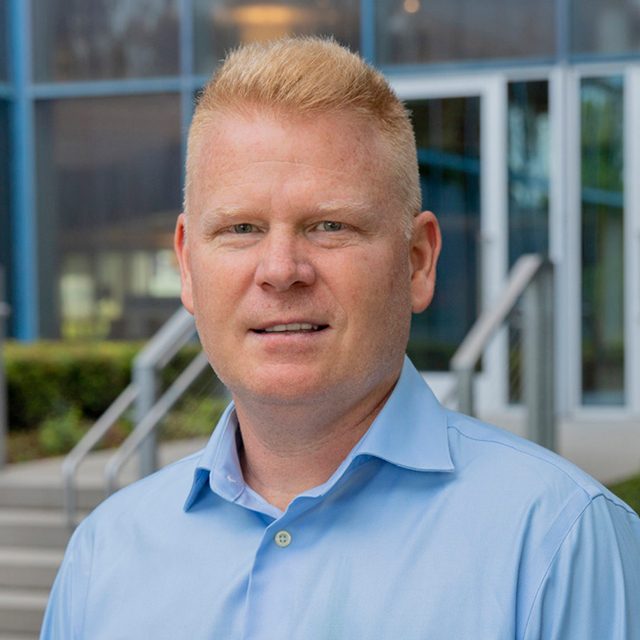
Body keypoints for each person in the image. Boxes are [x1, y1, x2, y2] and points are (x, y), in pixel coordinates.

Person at [40, 37, 640, 640]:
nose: (280, 269)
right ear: (187, 265)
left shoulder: (560, 543)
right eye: (240, 228)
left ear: (417, 261)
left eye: (330, 226)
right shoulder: (102, 557)